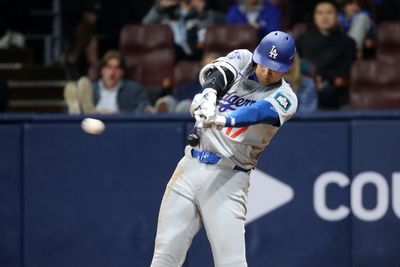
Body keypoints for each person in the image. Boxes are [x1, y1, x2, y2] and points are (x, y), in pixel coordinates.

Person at [150, 31, 298, 267]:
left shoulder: (287, 97)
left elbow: (259, 112)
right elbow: (218, 73)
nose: (267, 71)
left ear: (287, 68)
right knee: (165, 256)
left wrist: (225, 119)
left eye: (275, 67)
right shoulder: (243, 58)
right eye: (264, 63)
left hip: (229, 177)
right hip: (190, 167)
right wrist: (209, 96)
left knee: (231, 263)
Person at [296, 0, 356, 109]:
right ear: (314, 17)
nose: (324, 17)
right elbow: (296, 65)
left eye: (329, 12)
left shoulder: (347, 42)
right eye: (320, 13)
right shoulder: (303, 40)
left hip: (334, 91)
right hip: (305, 87)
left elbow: (347, 70)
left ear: (337, 16)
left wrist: (325, 80)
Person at [64, 50, 151, 114]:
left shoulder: (133, 89)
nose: (112, 72)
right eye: (109, 67)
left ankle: (86, 112)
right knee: (78, 110)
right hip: (93, 124)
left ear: (122, 72)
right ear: (102, 71)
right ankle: (79, 110)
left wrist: (115, 114)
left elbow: (143, 108)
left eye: (117, 68)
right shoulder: (90, 88)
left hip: (118, 124)